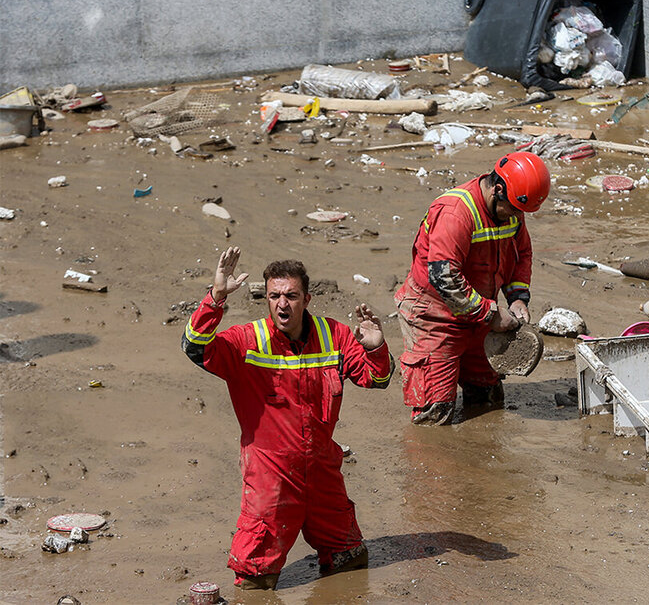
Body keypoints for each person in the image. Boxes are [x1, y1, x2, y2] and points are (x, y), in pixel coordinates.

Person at [181, 247, 394, 590]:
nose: (282, 304)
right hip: (271, 478)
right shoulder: (247, 341)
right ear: (266, 298)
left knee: (350, 562)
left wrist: (375, 346)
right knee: (255, 581)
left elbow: (377, 379)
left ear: (307, 298)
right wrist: (216, 297)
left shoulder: (335, 336)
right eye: (275, 296)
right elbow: (195, 347)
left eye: (291, 296)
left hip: (323, 472)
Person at [395, 151, 550, 425]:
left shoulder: (512, 208)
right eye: (514, 209)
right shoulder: (456, 213)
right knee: (435, 414)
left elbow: (522, 253)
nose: (517, 216)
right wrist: (492, 315)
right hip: (435, 315)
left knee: (488, 397)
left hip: (478, 311)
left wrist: (517, 298)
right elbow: (445, 278)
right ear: (497, 189)